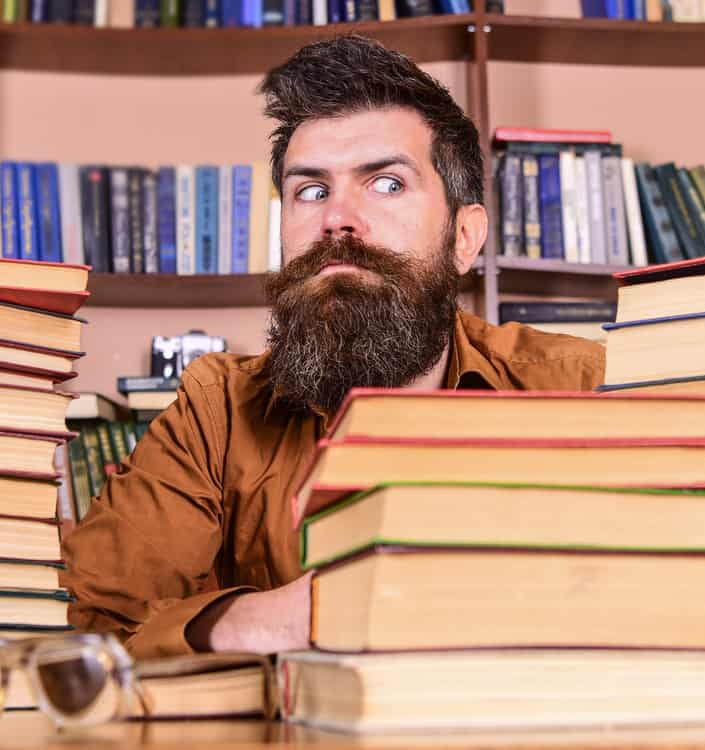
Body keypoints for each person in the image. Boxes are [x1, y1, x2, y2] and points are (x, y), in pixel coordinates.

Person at [59, 34, 605, 658]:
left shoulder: (583, 388)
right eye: (311, 191)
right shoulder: (218, 409)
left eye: (387, 184)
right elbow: (90, 633)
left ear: (464, 236)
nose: (337, 218)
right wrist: (254, 622)